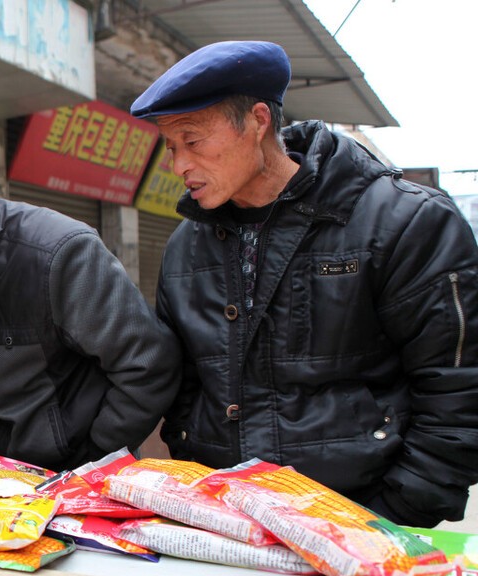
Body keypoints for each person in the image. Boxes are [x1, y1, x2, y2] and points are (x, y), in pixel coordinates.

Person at [131, 40, 478, 527]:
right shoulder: (187, 245)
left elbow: (457, 387)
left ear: (257, 121)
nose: (178, 164)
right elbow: (186, 381)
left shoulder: (403, 222)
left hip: (363, 516)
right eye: (170, 147)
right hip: (226, 521)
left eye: (193, 140)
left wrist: (396, 514)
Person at [0, 144, 180, 473]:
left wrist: (97, 452)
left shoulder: (62, 256)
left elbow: (150, 363)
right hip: (15, 470)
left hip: (89, 471)